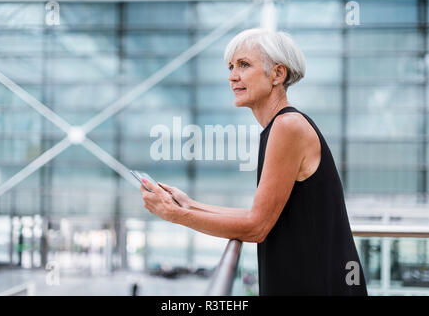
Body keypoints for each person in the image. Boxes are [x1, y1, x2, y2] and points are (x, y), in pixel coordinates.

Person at [140, 28, 368, 296]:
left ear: (278, 74)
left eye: (244, 65)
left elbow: (256, 227)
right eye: (231, 66)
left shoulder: (288, 126)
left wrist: (176, 215)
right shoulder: (279, 127)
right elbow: (259, 215)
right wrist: (189, 204)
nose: (232, 76)